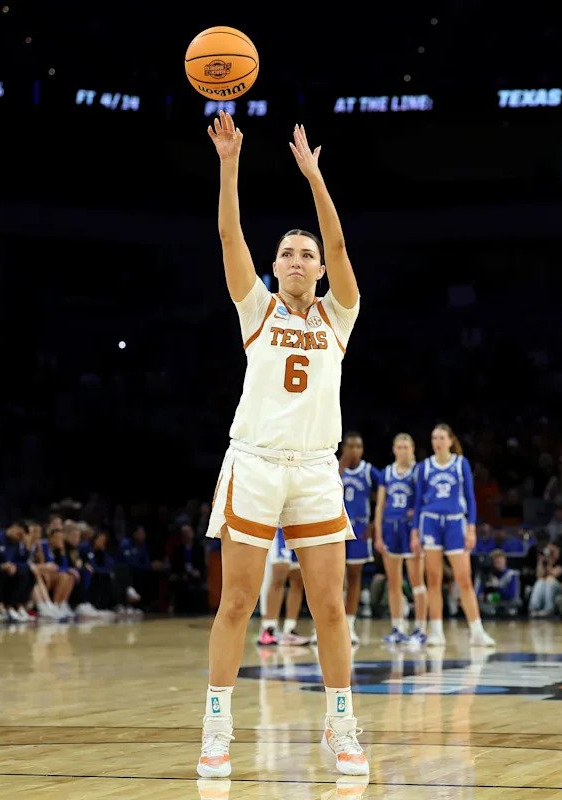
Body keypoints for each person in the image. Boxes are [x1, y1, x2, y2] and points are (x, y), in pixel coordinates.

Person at [199, 112, 366, 778]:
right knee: (238, 601)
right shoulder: (257, 308)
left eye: (307, 254)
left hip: (316, 470)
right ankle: (217, 727)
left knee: (330, 606)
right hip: (256, 464)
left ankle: (341, 723)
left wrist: (315, 178)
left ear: (320, 269)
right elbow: (228, 234)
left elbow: (342, 245)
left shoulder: (339, 315)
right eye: (287, 253)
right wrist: (229, 163)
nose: (297, 260)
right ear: (274, 268)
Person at [412, 424, 496, 648]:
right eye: (434, 438)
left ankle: (477, 631)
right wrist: (414, 532)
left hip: (455, 523)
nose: (437, 442)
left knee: (464, 579)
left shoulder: (460, 464)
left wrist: (471, 528)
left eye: (441, 437)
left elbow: (470, 498)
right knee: (433, 579)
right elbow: (418, 502)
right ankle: (436, 632)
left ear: (450, 440)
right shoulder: (424, 467)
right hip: (430, 522)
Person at [374, 433, 428, 646]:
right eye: (399, 447)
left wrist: (417, 521)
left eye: (407, 447)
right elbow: (380, 506)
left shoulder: (418, 471)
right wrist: (378, 534)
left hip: (410, 529)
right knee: (393, 583)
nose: (403, 450)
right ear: (394, 449)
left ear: (412, 449)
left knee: (417, 582)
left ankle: (420, 628)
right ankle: (398, 627)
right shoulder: (386, 473)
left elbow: (423, 501)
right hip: (390, 528)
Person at [336, 431, 382, 644]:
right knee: (332, 579)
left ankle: (350, 625)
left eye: (358, 447)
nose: (355, 450)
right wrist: (341, 465)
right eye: (351, 446)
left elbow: (385, 494)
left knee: (354, 578)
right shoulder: (334, 469)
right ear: (343, 448)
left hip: (359, 529)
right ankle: (326, 626)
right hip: (336, 528)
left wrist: (374, 524)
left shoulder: (369, 471)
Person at [257, 534, 312, 646]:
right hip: (280, 530)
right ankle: (268, 629)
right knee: (278, 577)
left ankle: (289, 629)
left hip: (299, 530)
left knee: (297, 580)